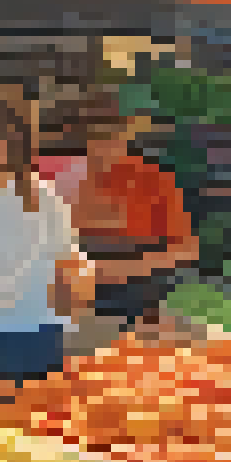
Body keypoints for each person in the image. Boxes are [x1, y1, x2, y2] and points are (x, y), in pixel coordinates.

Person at [0, 99, 91, 390]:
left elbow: (67, 268)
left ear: (3, 147)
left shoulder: (41, 199)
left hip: (33, 335)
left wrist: (68, 319)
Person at [68, 110, 197, 328]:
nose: (102, 147)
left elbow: (186, 250)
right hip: (85, 290)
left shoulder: (155, 180)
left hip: (143, 287)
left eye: (110, 136)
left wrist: (131, 267)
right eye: (95, 138)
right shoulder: (69, 183)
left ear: (125, 136)